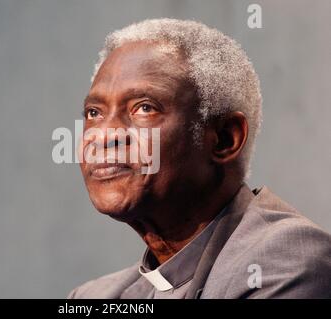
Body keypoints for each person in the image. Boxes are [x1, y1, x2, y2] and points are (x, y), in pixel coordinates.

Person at [69, 18, 331, 298]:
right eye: (93, 113)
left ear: (224, 139)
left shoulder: (287, 262)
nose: (104, 135)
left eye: (144, 108)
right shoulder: (94, 296)